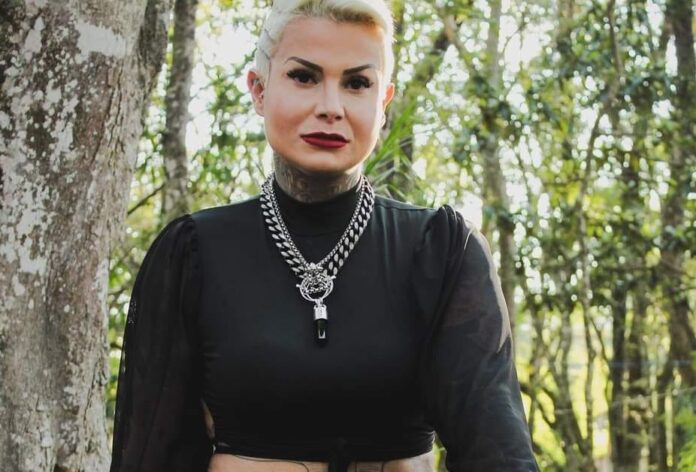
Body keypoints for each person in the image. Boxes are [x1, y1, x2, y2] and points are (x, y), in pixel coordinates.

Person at [109, 0, 538, 471]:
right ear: (258, 90)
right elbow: (154, 457)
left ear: (383, 102)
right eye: (303, 77)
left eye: (357, 83)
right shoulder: (193, 253)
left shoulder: (442, 251)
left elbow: (496, 454)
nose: (330, 108)